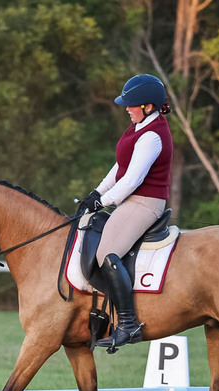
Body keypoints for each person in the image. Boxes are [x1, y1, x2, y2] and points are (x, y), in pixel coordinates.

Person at [81, 74, 173, 350]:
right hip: (131, 200)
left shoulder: (153, 135)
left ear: (148, 106)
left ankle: (128, 324)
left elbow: (132, 180)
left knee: (107, 255)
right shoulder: (138, 126)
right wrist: (97, 193)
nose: (126, 108)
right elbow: (119, 166)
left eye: (131, 104)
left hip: (145, 202)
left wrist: (104, 202)